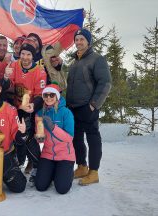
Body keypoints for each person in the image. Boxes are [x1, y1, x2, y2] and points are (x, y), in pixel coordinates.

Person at [66, 28, 112, 185]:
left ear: (88, 41)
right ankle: (82, 167)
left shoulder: (97, 59)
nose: (79, 42)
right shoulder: (74, 62)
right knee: (76, 138)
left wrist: (93, 105)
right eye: (77, 39)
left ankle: (94, 172)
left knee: (92, 138)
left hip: (88, 107)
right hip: (73, 107)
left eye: (82, 39)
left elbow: (105, 83)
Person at [2, 39, 46, 178]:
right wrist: (6, 78)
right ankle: (18, 163)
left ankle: (38, 166)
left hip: (29, 108)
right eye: (23, 54)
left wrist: (34, 105)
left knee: (27, 138)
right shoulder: (14, 65)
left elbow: (40, 95)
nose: (25, 57)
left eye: (28, 54)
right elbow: (8, 88)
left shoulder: (39, 71)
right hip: (14, 106)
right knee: (14, 136)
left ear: (33, 56)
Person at [34, 83, 75, 194]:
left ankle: (67, 172)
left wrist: (53, 127)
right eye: (45, 95)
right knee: (40, 186)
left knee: (62, 189)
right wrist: (39, 137)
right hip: (47, 154)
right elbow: (38, 134)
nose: (48, 98)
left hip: (65, 156)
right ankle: (53, 172)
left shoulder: (66, 113)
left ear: (57, 96)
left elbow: (69, 138)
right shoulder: (39, 113)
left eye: (52, 95)